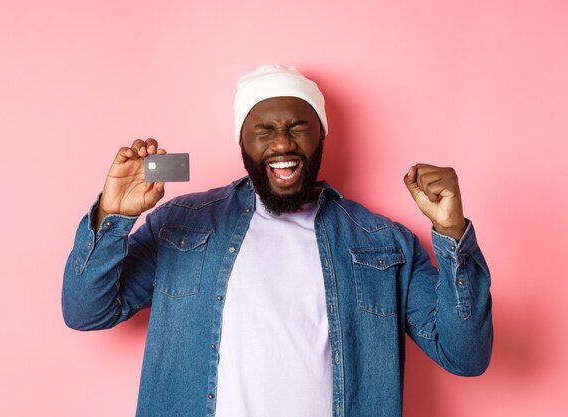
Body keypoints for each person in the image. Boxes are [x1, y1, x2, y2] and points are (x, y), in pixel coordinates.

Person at [62, 64, 493, 417]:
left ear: (321, 135)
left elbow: (465, 356)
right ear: (242, 141)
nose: (282, 142)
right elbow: (86, 310)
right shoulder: (182, 226)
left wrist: (452, 234)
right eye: (264, 129)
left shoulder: (385, 243)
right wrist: (113, 216)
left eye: (298, 126)